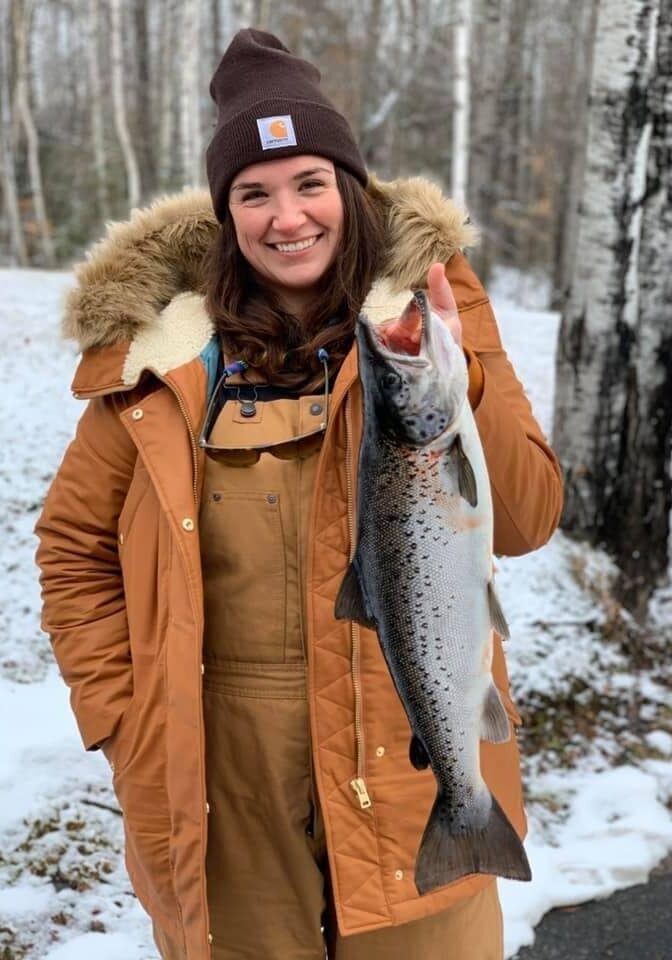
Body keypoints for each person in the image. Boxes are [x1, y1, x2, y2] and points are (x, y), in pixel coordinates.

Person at [35, 27, 563, 960]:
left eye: (310, 183)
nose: (288, 218)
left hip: (408, 750)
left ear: (349, 190)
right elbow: (73, 551)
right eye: (255, 193)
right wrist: (126, 720)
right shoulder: (159, 360)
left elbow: (525, 520)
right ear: (226, 214)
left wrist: (467, 362)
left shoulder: (428, 320)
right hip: (222, 783)